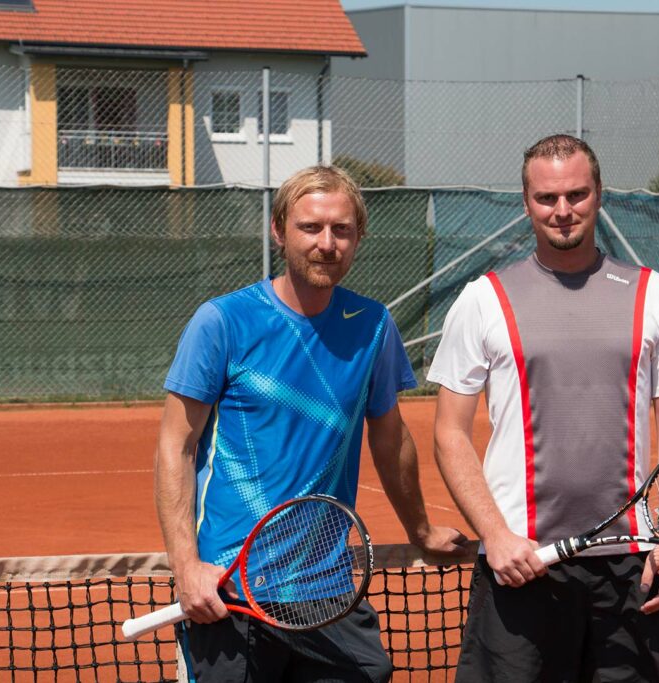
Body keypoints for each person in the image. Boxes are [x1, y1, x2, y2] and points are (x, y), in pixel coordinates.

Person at [155, 165, 466, 682]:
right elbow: (176, 448)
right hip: (231, 592)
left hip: (329, 596)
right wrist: (186, 567)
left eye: (341, 229)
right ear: (279, 230)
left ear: (359, 236)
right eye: (311, 228)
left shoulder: (373, 327)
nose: (327, 243)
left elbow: (390, 437)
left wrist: (420, 528)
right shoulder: (222, 322)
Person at [429, 134, 659, 682]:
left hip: (630, 568)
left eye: (577, 195)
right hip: (520, 567)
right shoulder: (482, 298)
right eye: (546, 198)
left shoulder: (655, 294)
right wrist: (495, 535)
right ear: (526, 201)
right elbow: (449, 432)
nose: (563, 211)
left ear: (600, 194)